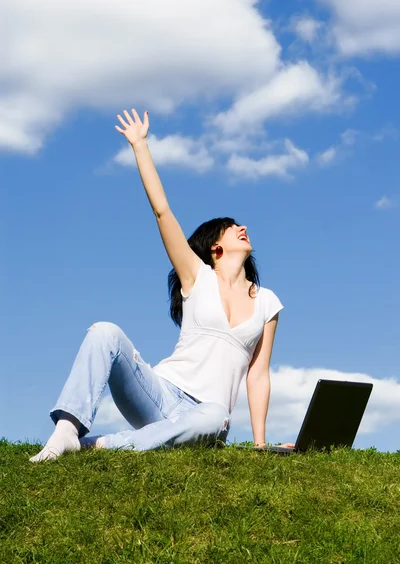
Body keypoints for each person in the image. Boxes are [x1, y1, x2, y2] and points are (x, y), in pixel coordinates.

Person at [30, 108, 294, 463]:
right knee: (104, 332)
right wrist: (140, 145)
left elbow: (258, 375)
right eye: (232, 227)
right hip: (159, 394)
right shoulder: (196, 276)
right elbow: (162, 211)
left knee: (215, 416)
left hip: (206, 417)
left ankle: (99, 445)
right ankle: (67, 431)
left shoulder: (267, 302)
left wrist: (261, 445)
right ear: (216, 247)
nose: (242, 227)